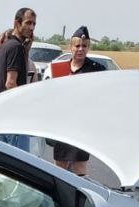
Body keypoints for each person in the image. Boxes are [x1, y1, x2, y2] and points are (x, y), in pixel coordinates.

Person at [51, 26, 105, 175]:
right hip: (62, 124)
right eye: (77, 46)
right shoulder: (60, 68)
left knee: (79, 166)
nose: (81, 49)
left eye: (84, 46)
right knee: (59, 165)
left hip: (81, 125)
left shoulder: (96, 70)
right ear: (71, 47)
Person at [0, 7, 37, 151]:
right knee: (21, 165)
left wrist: (26, 50)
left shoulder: (6, 46)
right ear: (17, 23)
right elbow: (10, 83)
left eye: (34, 24)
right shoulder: (16, 47)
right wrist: (26, 104)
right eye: (28, 23)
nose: (32, 28)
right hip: (11, 117)